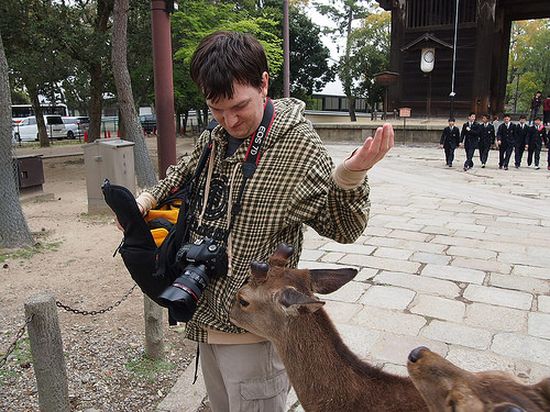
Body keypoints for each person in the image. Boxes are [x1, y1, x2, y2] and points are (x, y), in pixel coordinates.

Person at [129, 31, 392, 412]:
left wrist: (349, 177)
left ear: (264, 83)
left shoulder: (297, 145)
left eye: (239, 106)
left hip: (255, 329)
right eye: (216, 109)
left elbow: (345, 228)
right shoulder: (216, 137)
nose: (229, 120)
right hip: (206, 315)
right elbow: (183, 170)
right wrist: (145, 200)